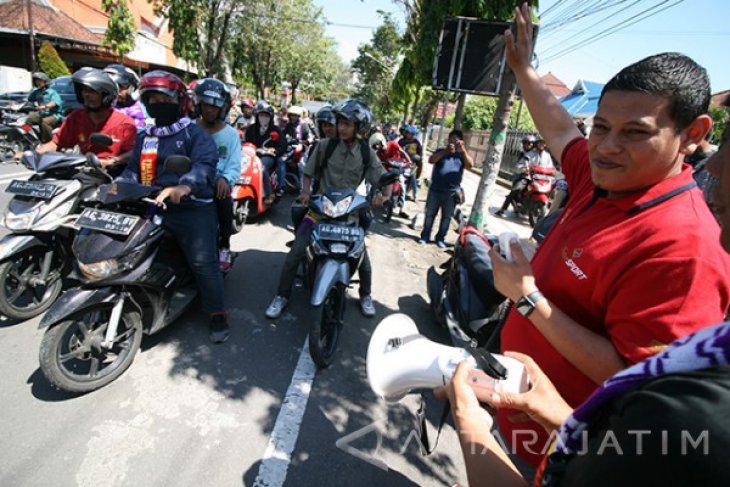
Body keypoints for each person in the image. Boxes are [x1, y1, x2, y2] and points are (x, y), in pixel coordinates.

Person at [485, 3, 730, 467]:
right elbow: (558, 126)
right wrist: (523, 69)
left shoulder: (685, 247)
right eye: (600, 126)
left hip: (559, 455)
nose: (606, 146)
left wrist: (527, 297)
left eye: (635, 133)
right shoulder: (601, 179)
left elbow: (639, 380)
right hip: (508, 411)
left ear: (693, 134)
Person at [116, 70, 230, 344]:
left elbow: (204, 167)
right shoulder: (146, 137)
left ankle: (217, 314)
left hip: (191, 208)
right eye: (150, 99)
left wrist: (184, 186)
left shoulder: (195, 135)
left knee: (204, 263)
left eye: (162, 98)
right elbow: (132, 170)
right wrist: (116, 186)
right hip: (152, 205)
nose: (156, 103)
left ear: (179, 102)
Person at [265, 99, 389, 320]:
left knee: (362, 257)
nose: (340, 128)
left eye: (347, 124)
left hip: (350, 213)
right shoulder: (325, 146)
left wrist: (384, 196)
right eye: (340, 123)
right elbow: (307, 173)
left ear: (359, 127)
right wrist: (304, 191)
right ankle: (281, 296)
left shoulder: (366, 152)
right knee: (296, 252)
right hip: (319, 210)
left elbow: (380, 177)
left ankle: (365, 295)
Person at [35, 68, 137, 175]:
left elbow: (133, 153)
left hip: (112, 173)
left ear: (106, 95)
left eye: (92, 91)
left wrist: (112, 161)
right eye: (84, 90)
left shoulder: (124, 123)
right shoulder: (76, 117)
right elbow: (57, 143)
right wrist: (34, 154)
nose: (86, 95)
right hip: (84, 170)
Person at [193, 78, 242, 273]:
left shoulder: (231, 135)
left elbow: (234, 165)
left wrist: (225, 179)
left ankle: (224, 246)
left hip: (216, 185)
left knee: (225, 203)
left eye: (214, 106)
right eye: (205, 105)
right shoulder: (190, 128)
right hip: (191, 181)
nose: (209, 110)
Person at [418, 129, 473, 248]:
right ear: (448, 140)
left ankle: (440, 238)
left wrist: (463, 150)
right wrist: (445, 152)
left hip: (452, 193)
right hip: (435, 190)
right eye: (451, 138)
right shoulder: (440, 151)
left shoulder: (461, 156)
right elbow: (431, 160)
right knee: (430, 215)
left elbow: (470, 165)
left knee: (446, 218)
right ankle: (425, 236)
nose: (453, 141)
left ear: (461, 142)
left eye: (456, 139)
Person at [496, 136, 555, 217]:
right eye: (540, 142)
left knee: (553, 188)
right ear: (537, 143)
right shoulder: (529, 154)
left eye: (544, 143)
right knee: (515, 189)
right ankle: (502, 209)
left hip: (543, 179)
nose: (542, 144)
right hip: (529, 178)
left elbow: (551, 167)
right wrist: (523, 169)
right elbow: (520, 165)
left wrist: (553, 172)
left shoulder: (547, 155)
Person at [244, 100, 286, 204]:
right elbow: (246, 143)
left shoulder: (276, 130)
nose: (263, 117)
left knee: (261, 167)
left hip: (268, 157)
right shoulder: (250, 129)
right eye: (261, 115)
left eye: (266, 115)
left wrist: (274, 150)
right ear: (257, 116)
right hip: (251, 155)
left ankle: (269, 193)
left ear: (270, 117)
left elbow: (282, 146)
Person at [104, 64, 146, 131]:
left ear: (132, 88)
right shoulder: (103, 109)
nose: (117, 92)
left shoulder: (144, 110)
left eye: (121, 87)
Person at [24, 71, 63, 143]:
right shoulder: (37, 92)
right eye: (36, 81)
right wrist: (19, 103)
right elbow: (29, 99)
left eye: (39, 81)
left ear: (45, 81)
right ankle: (30, 138)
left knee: (44, 122)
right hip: (41, 113)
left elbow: (54, 103)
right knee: (27, 119)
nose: (37, 82)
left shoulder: (52, 92)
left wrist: (44, 106)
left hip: (54, 114)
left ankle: (50, 142)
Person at [377, 140, 413, 217]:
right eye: (377, 146)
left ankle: (401, 209)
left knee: (402, 187)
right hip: (386, 171)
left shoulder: (393, 144)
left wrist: (409, 161)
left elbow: (402, 152)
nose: (379, 147)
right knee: (380, 184)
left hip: (398, 169)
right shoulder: (378, 153)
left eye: (380, 145)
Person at [399, 125, 424, 200]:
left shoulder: (416, 142)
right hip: (402, 163)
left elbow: (420, 153)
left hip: (413, 164)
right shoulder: (401, 141)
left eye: (409, 133)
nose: (407, 134)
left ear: (413, 134)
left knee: (413, 179)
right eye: (406, 132)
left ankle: (414, 195)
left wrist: (417, 158)